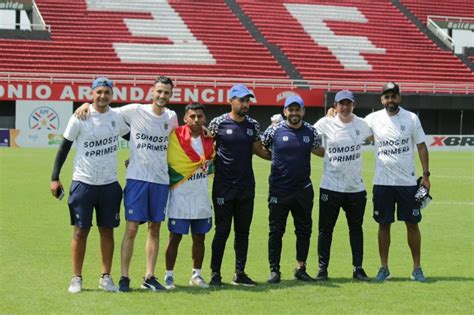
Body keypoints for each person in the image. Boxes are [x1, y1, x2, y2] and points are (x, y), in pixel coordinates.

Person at [75, 76, 179, 291]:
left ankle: (149, 276)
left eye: (166, 93)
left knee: (155, 228)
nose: (162, 96)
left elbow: (178, 140)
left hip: (160, 180)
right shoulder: (134, 110)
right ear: (152, 91)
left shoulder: (172, 116)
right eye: (159, 91)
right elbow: (103, 107)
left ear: (171, 95)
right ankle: (124, 277)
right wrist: (86, 104)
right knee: (131, 228)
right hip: (137, 179)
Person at [50, 77, 129, 293]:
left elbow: (137, 138)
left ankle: (106, 277)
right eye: (99, 92)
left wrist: (137, 158)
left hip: (109, 185)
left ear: (112, 94)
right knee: (80, 231)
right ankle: (76, 278)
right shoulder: (79, 116)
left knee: (107, 231)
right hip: (83, 183)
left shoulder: (117, 117)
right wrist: (55, 177)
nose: (103, 96)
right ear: (92, 93)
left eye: (107, 92)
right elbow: (64, 148)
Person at [365, 82, 431, 282]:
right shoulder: (372, 119)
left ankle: (417, 268)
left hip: (408, 183)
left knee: (412, 224)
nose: (390, 100)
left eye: (394, 96)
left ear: (399, 98)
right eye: (387, 96)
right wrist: (335, 114)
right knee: (383, 225)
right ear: (382, 99)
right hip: (383, 183)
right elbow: (351, 125)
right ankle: (384, 268)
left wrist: (426, 175)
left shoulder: (411, 118)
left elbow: (421, 146)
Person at [207, 84, 271, 287]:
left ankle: (239, 272)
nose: (245, 104)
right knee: (222, 230)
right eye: (241, 100)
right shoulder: (218, 123)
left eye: (247, 100)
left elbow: (258, 149)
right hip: (223, 187)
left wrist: (283, 157)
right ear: (231, 100)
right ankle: (215, 273)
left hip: (246, 187)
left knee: (243, 232)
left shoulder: (253, 125)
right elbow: (207, 148)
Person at [261, 95, 323, 284]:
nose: (294, 113)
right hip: (279, 189)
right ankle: (274, 271)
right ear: (285, 111)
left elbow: (318, 149)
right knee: (276, 231)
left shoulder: (311, 131)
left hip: (303, 190)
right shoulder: (274, 130)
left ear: (303, 111)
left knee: (304, 230)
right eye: (291, 109)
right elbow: (262, 148)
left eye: (298, 109)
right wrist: (276, 162)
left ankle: (300, 268)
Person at [313, 90, 372, 281]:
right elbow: (309, 138)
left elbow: (377, 136)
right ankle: (322, 269)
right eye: (341, 104)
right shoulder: (325, 123)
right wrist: (324, 153)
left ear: (353, 105)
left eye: (349, 103)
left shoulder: (363, 124)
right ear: (335, 106)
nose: (345, 107)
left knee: (356, 229)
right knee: (325, 230)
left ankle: (358, 268)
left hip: (355, 188)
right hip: (330, 186)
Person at [163, 102, 214, 289]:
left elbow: (213, 161)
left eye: (199, 116)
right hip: (180, 196)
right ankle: (169, 276)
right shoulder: (174, 136)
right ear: (185, 118)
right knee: (175, 237)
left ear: (204, 118)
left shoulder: (209, 139)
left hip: (201, 197)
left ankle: (196, 275)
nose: (196, 120)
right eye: (192, 116)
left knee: (199, 237)